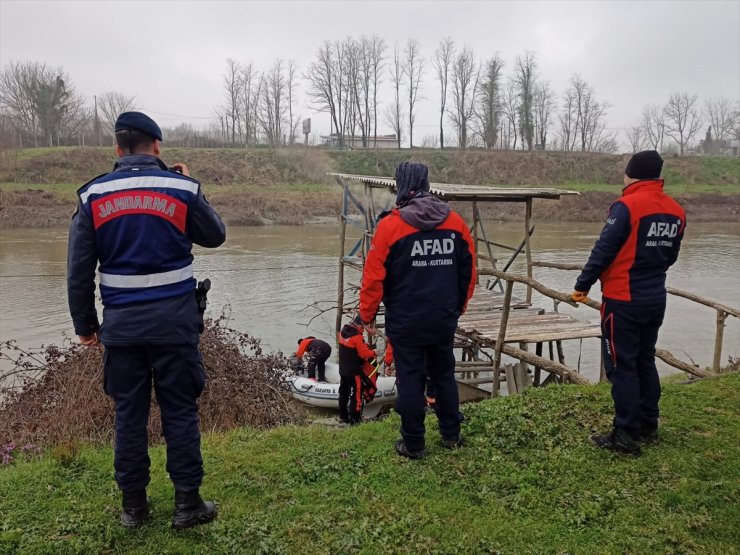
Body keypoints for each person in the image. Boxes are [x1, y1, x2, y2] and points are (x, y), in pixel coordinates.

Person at [67, 111, 226, 528]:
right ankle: (188, 504)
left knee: (129, 415)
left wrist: (85, 326)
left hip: (122, 330)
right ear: (156, 147)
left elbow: (78, 270)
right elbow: (215, 236)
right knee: (179, 411)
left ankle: (133, 509)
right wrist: (195, 189)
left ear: (117, 149)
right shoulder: (182, 188)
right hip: (175, 325)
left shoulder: (93, 197)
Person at [572, 150, 685, 457]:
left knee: (621, 367)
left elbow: (603, 250)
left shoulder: (626, 206)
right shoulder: (676, 211)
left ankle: (625, 435)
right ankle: (648, 424)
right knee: (645, 359)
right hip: (655, 298)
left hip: (622, 300)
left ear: (631, 173)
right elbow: (671, 256)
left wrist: (582, 286)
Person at [359, 162, 476, 459]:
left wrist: (367, 315)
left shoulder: (390, 226)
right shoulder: (456, 223)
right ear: (426, 184)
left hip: (406, 321)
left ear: (401, 185)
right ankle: (451, 434)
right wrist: (458, 308)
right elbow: (470, 272)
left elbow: (373, 277)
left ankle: (413, 443)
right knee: (444, 374)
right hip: (442, 318)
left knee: (410, 379)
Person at [338, 315, 378, 424]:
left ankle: (343, 416)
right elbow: (364, 354)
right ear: (360, 325)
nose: (364, 330)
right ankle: (355, 420)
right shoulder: (357, 337)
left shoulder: (343, 332)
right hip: (354, 371)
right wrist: (374, 352)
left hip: (343, 370)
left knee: (343, 393)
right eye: (363, 328)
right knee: (356, 395)